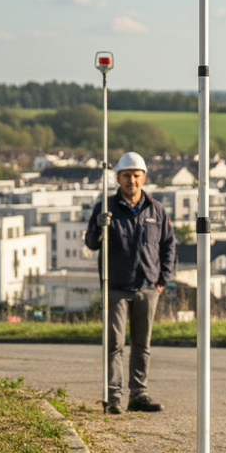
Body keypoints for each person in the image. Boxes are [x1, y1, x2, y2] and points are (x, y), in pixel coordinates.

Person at [85, 151, 175, 414]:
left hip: (148, 287)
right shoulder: (105, 208)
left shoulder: (156, 210)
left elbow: (168, 244)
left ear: (144, 177)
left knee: (141, 345)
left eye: (136, 176)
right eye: (126, 176)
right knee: (115, 343)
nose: (131, 181)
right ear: (117, 178)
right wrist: (98, 227)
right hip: (116, 286)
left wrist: (163, 279)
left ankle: (139, 395)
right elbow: (91, 244)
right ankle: (114, 397)